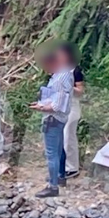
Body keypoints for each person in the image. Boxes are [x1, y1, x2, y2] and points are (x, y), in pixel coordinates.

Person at [30, 50, 75, 197]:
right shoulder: (65, 73)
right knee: (59, 149)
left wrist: (41, 107)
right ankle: (59, 176)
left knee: (51, 154)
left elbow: (57, 105)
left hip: (53, 119)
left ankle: (52, 186)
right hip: (60, 118)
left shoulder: (60, 78)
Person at [59, 43, 85, 178]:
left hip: (72, 106)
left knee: (68, 136)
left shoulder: (76, 70)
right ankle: (61, 167)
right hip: (59, 107)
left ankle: (72, 167)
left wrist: (70, 87)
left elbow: (80, 91)